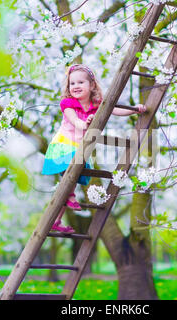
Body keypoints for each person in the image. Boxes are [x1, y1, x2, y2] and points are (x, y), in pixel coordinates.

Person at [42, 64, 146, 233]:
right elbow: (74, 120)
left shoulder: (96, 104)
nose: (75, 86)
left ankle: (57, 219)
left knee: (72, 181)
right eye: (72, 83)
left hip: (80, 148)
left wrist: (135, 110)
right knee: (69, 179)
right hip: (64, 145)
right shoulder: (67, 103)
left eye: (80, 82)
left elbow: (115, 109)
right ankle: (68, 200)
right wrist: (85, 123)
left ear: (91, 85)